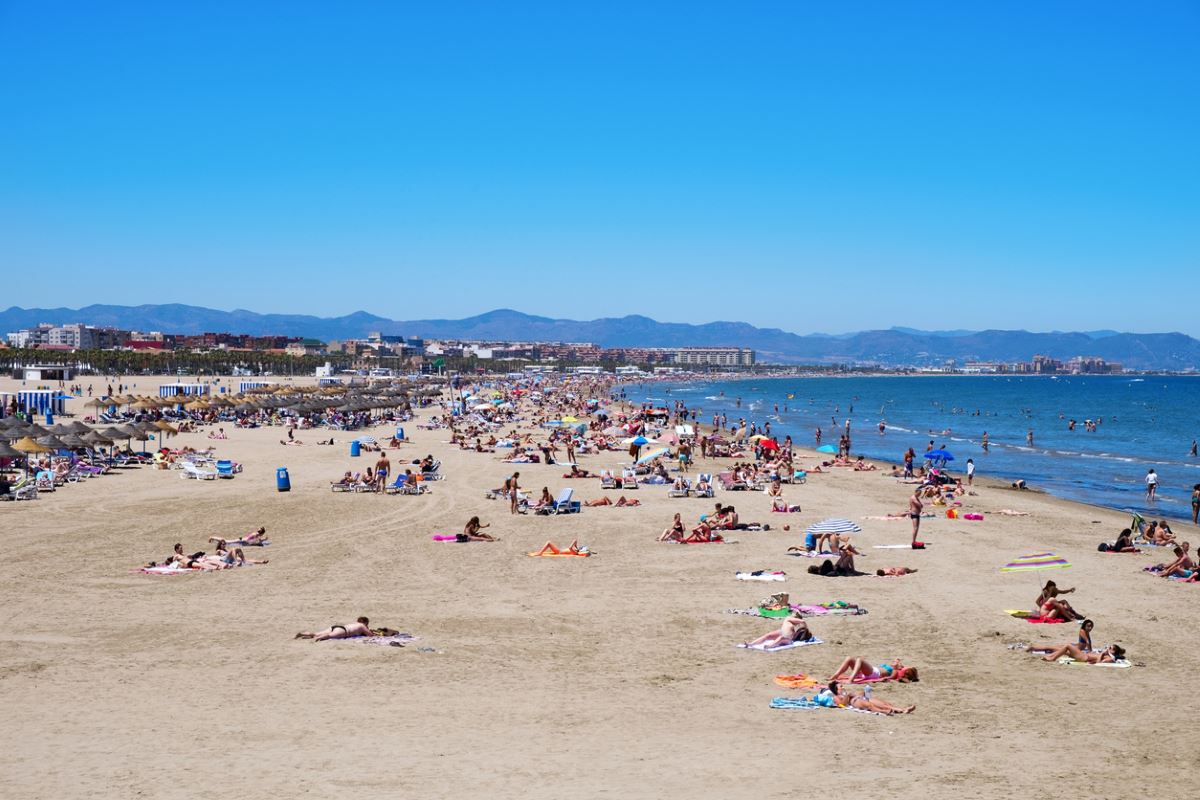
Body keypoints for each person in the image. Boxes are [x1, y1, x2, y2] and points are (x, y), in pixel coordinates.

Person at [741, 612, 812, 649]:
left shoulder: (789, 622)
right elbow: (803, 621)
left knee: (781, 637)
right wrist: (806, 629)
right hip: (783, 634)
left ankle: (770, 646)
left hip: (787, 639)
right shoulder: (789, 618)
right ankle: (751, 644)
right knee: (767, 635)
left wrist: (805, 631)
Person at [828, 657, 918, 683]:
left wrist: (897, 668)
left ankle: (851, 679)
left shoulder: (895, 670)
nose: (894, 661)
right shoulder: (893, 667)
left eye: (897, 663)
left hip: (874, 673)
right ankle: (835, 675)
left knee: (860, 660)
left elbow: (891, 677)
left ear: (900, 668)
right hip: (869, 672)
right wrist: (898, 662)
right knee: (849, 658)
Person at [295, 617, 374, 641]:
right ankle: (318, 638)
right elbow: (370, 635)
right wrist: (368, 629)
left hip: (337, 627)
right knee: (329, 636)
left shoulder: (355, 624)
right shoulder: (362, 626)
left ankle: (303, 634)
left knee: (316, 633)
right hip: (343, 631)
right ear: (365, 623)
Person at [1040, 643, 1125, 664]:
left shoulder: (1110, 658)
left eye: (1111, 648)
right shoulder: (1107, 654)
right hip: (1084, 655)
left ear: (1114, 652)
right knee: (1065, 650)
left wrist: (1102, 654)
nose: (1108, 648)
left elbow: (1100, 663)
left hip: (1084, 658)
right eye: (1109, 646)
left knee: (1068, 646)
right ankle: (1051, 656)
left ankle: (1052, 658)